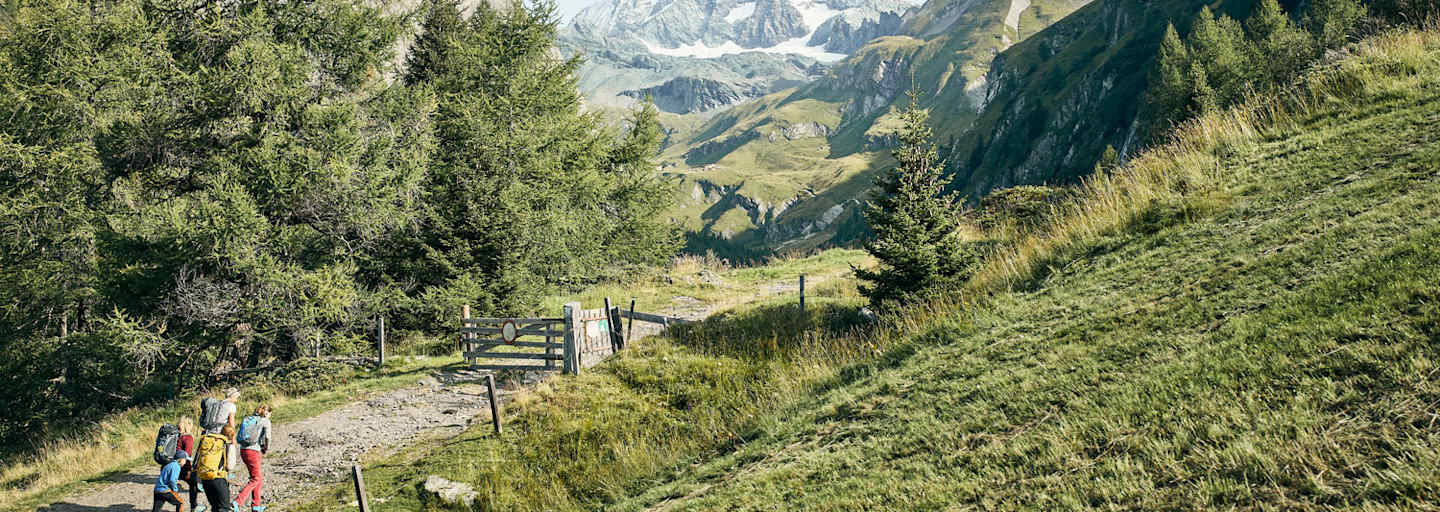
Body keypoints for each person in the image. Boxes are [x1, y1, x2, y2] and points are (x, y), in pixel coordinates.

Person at [235, 405, 272, 512]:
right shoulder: (265, 421)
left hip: (243, 450)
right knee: (255, 479)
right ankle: (237, 502)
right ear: (267, 413)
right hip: (254, 452)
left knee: (257, 478)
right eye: (270, 414)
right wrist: (266, 448)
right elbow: (268, 437)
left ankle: (256, 505)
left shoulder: (248, 419)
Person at [176, 417, 205, 512]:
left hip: (173, 464)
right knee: (193, 484)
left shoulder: (178, 436)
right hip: (183, 465)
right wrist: (189, 468)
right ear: (188, 425)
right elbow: (187, 454)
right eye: (191, 424)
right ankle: (194, 507)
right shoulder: (188, 437)